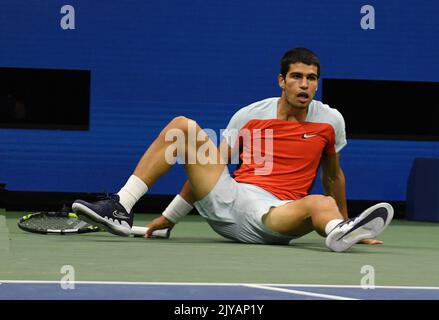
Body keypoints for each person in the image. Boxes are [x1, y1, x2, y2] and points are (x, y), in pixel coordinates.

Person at [73, 48, 393, 252]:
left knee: (320, 202)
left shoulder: (330, 121)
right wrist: (170, 218)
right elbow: (209, 172)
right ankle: (120, 206)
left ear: (317, 83)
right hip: (230, 199)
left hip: (276, 216)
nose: (304, 84)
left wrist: (347, 219)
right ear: (281, 80)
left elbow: (333, 178)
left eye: (311, 78)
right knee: (182, 126)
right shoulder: (250, 115)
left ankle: (341, 231)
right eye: (297, 76)